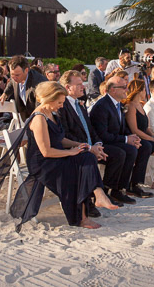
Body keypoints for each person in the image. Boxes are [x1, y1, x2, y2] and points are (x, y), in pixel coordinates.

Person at [14, 81, 119, 229]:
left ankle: (96, 196)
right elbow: (46, 151)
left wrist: (81, 146)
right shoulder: (39, 118)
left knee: (87, 156)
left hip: (57, 155)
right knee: (79, 169)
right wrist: (70, 152)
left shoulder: (50, 112)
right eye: (59, 102)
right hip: (43, 163)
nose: (62, 106)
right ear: (48, 99)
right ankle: (87, 210)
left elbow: (60, 139)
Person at [56, 70, 115, 217]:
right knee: (88, 159)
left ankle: (112, 191)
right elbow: (65, 134)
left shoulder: (80, 105)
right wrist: (89, 148)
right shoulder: (61, 107)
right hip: (74, 148)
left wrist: (98, 144)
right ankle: (88, 200)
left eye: (83, 83)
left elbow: (90, 128)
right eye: (79, 84)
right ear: (68, 87)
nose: (84, 87)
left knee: (119, 153)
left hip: (89, 145)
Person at [89, 75, 147, 205]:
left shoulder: (117, 104)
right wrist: (126, 139)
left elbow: (122, 127)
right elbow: (102, 135)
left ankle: (119, 190)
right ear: (113, 89)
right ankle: (106, 190)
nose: (126, 90)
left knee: (133, 149)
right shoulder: (102, 106)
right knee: (120, 153)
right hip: (101, 143)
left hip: (113, 140)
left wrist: (132, 138)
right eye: (123, 87)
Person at [122, 79, 154, 192]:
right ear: (138, 91)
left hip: (144, 136)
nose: (145, 92)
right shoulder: (131, 106)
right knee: (149, 147)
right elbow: (134, 129)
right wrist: (152, 139)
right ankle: (137, 183)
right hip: (136, 138)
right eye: (144, 90)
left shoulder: (140, 105)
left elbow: (145, 128)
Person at [0, 55, 48, 122]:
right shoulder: (15, 76)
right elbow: (12, 83)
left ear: (26, 70)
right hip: (25, 117)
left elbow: (41, 108)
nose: (14, 78)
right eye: (12, 74)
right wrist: (5, 93)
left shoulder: (39, 83)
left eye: (17, 75)